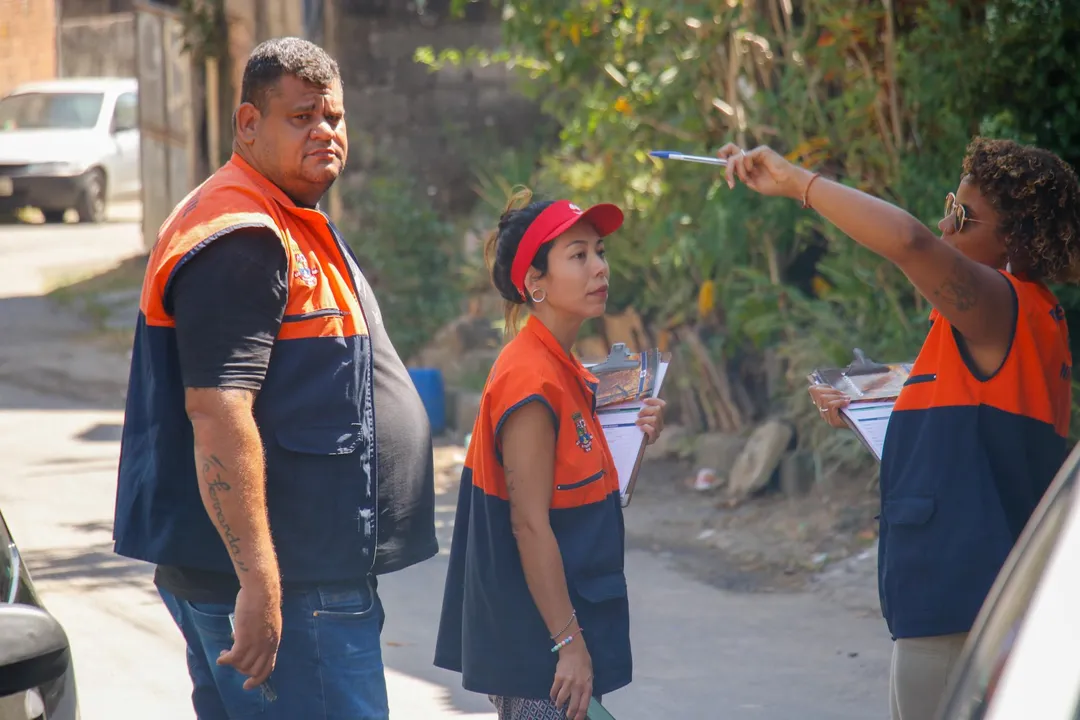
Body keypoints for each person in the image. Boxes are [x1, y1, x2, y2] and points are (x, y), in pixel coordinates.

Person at [112, 37, 438, 719]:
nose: (325, 133)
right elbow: (218, 414)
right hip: (295, 588)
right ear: (249, 125)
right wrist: (260, 585)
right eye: (301, 118)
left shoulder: (284, 217)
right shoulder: (242, 235)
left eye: (334, 119)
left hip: (307, 579)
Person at [718, 137, 1080, 720]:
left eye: (962, 216)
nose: (944, 223)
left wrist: (797, 183)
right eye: (948, 205)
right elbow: (976, 434)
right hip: (977, 604)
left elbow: (909, 242)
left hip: (957, 610)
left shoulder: (999, 305)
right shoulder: (1029, 320)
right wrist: (869, 407)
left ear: (1012, 240)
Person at [434, 189, 666, 720]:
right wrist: (570, 645)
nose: (599, 268)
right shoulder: (530, 378)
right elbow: (529, 525)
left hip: (560, 634)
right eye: (578, 255)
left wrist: (633, 438)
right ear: (534, 283)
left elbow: (585, 492)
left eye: (600, 251)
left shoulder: (567, 368)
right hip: (541, 649)